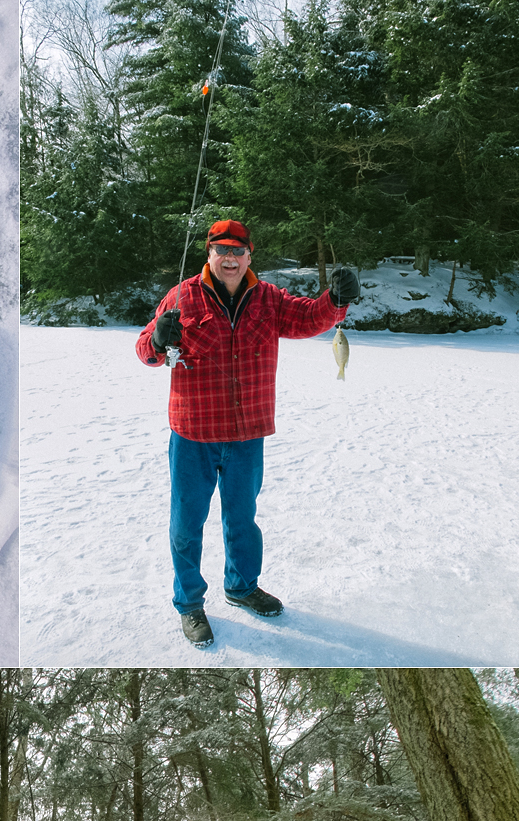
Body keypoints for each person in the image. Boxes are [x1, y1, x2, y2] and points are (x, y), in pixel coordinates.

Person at [136, 219, 360, 647]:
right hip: (193, 435)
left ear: (250, 256)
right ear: (209, 254)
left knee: (242, 519)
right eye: (222, 250)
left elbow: (309, 319)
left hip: (246, 435)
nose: (231, 259)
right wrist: (158, 340)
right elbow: (146, 349)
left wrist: (336, 300)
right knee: (187, 524)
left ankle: (241, 586)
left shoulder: (268, 298)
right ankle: (189, 604)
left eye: (238, 251)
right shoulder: (182, 295)